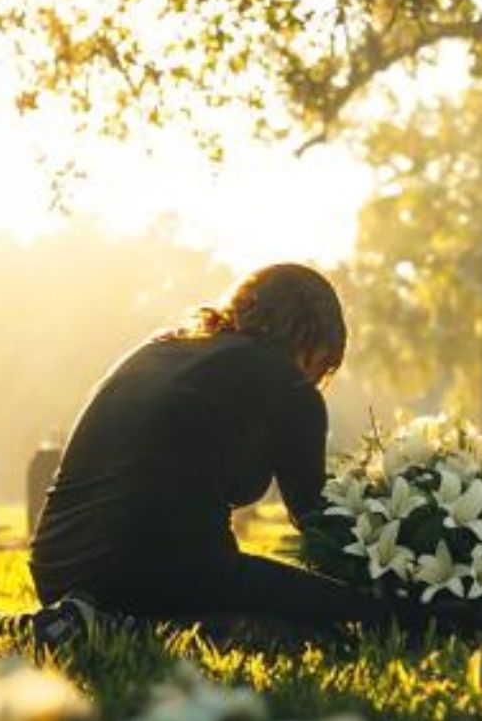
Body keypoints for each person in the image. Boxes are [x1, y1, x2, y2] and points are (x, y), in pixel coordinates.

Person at [27, 263, 383, 638]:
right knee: (358, 617)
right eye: (323, 365)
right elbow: (316, 519)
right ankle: (138, 625)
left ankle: (99, 621)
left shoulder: (159, 349)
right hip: (162, 571)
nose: (316, 379)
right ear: (312, 344)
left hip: (56, 568)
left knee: (277, 612)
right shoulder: (289, 385)